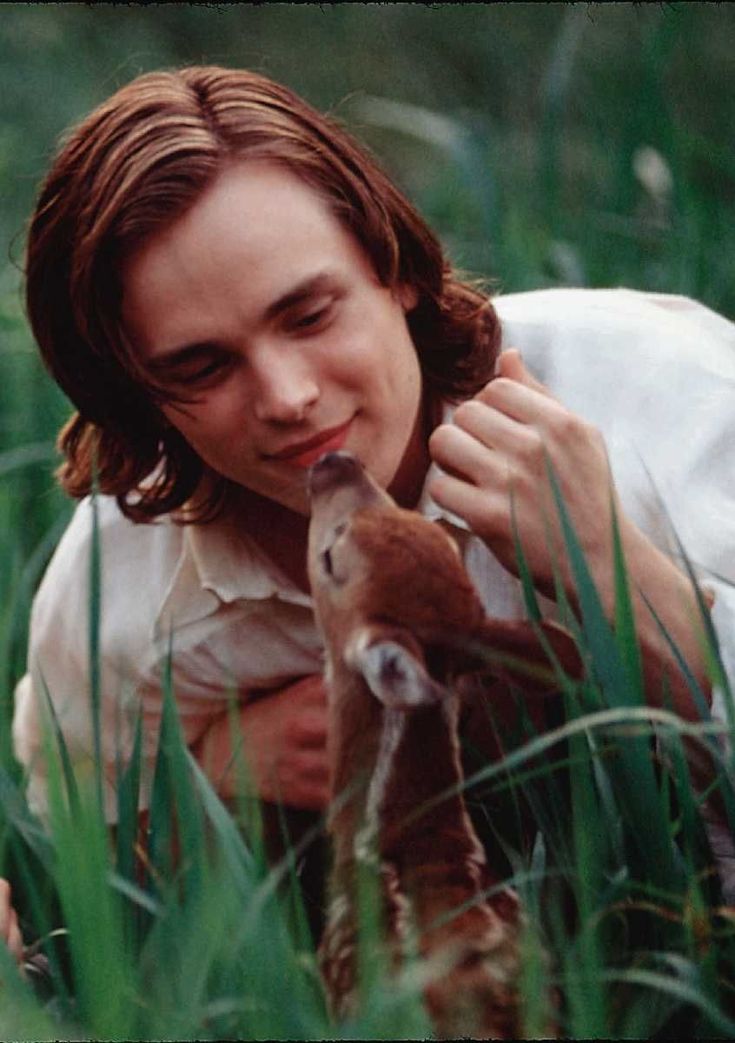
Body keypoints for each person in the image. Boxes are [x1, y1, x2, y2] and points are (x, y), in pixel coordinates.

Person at [8, 67, 735, 922]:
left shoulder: (653, 390)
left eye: (310, 315)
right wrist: (210, 771)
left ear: (395, 265)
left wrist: (611, 564)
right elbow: (90, 856)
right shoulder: (118, 587)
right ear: (137, 394)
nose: (286, 396)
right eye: (201, 367)